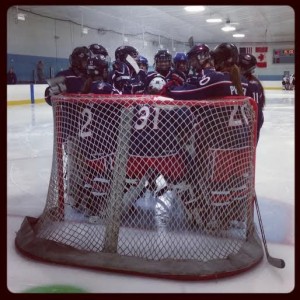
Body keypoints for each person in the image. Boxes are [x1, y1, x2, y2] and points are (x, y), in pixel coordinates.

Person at [238, 52, 265, 143]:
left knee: (247, 152)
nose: (240, 69)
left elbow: (256, 111)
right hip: (243, 123)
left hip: (250, 123)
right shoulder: (239, 80)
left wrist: (253, 129)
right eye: (240, 65)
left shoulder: (252, 84)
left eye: (243, 67)